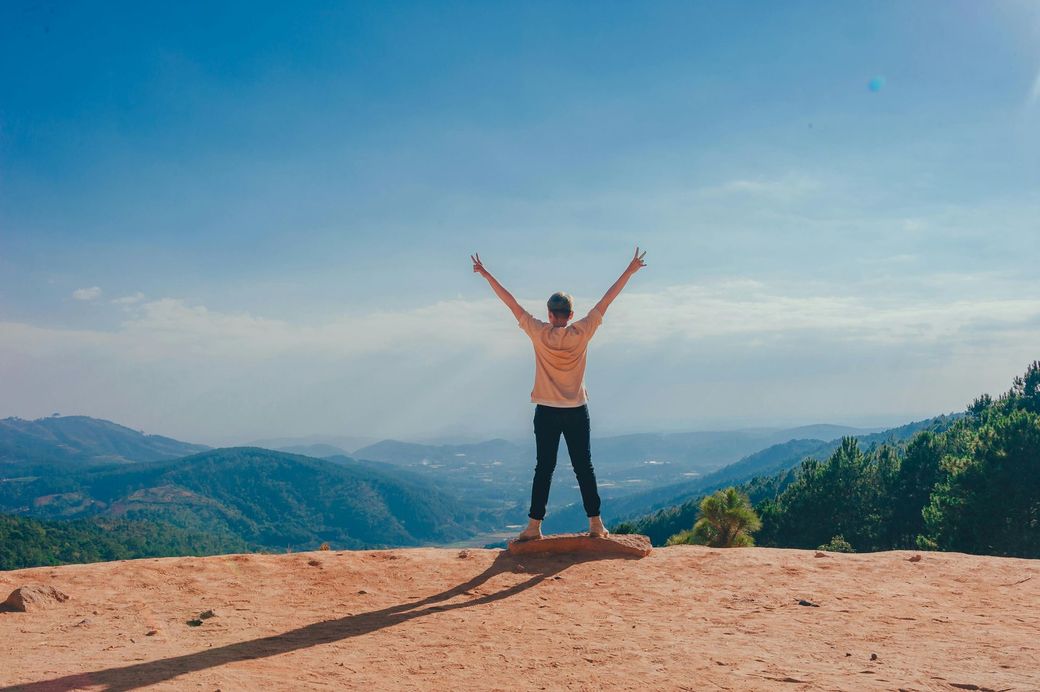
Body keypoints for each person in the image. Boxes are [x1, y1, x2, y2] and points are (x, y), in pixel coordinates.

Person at [471, 247, 647, 541]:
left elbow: (510, 303)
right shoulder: (583, 331)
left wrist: (486, 274)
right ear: (571, 314)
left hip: (547, 410)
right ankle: (595, 525)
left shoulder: (538, 332)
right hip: (577, 409)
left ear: (550, 314)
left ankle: (533, 527)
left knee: (544, 468)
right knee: (584, 467)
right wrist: (629, 270)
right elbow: (607, 300)